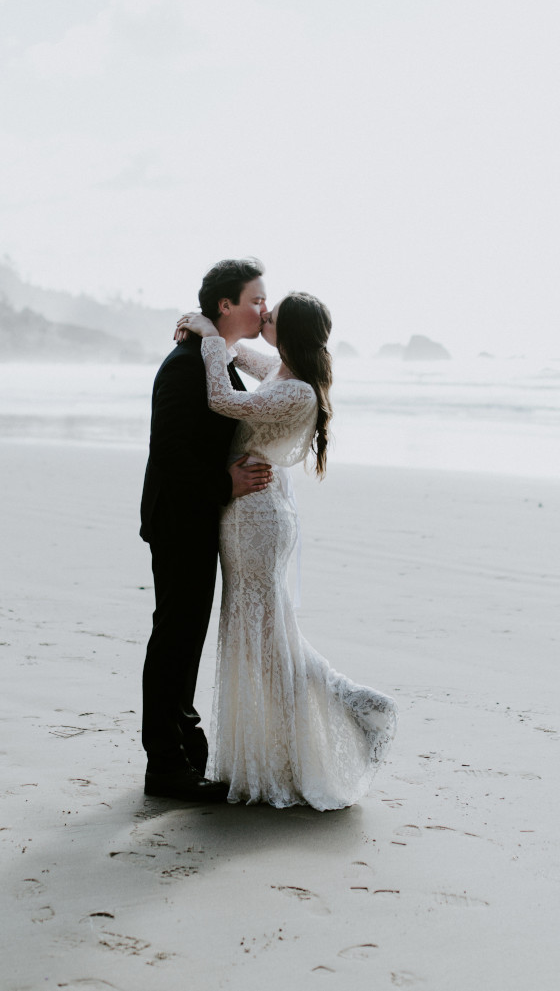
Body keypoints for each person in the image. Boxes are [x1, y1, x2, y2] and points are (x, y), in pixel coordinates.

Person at [176, 292, 397, 809]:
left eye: (271, 316)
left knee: (267, 640)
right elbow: (241, 360)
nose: (264, 316)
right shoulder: (283, 372)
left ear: (289, 330)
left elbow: (223, 400)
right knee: (265, 636)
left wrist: (210, 339)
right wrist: (213, 332)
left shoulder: (297, 392)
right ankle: (304, 735)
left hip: (257, 517)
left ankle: (357, 708)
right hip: (250, 509)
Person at [138, 258, 274, 801]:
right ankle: (166, 767)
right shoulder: (184, 364)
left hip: (199, 516)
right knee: (175, 637)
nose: (264, 307)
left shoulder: (213, 355)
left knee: (186, 637)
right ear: (226, 305)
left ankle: (186, 753)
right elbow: (168, 453)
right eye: (256, 299)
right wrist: (227, 483)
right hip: (178, 518)